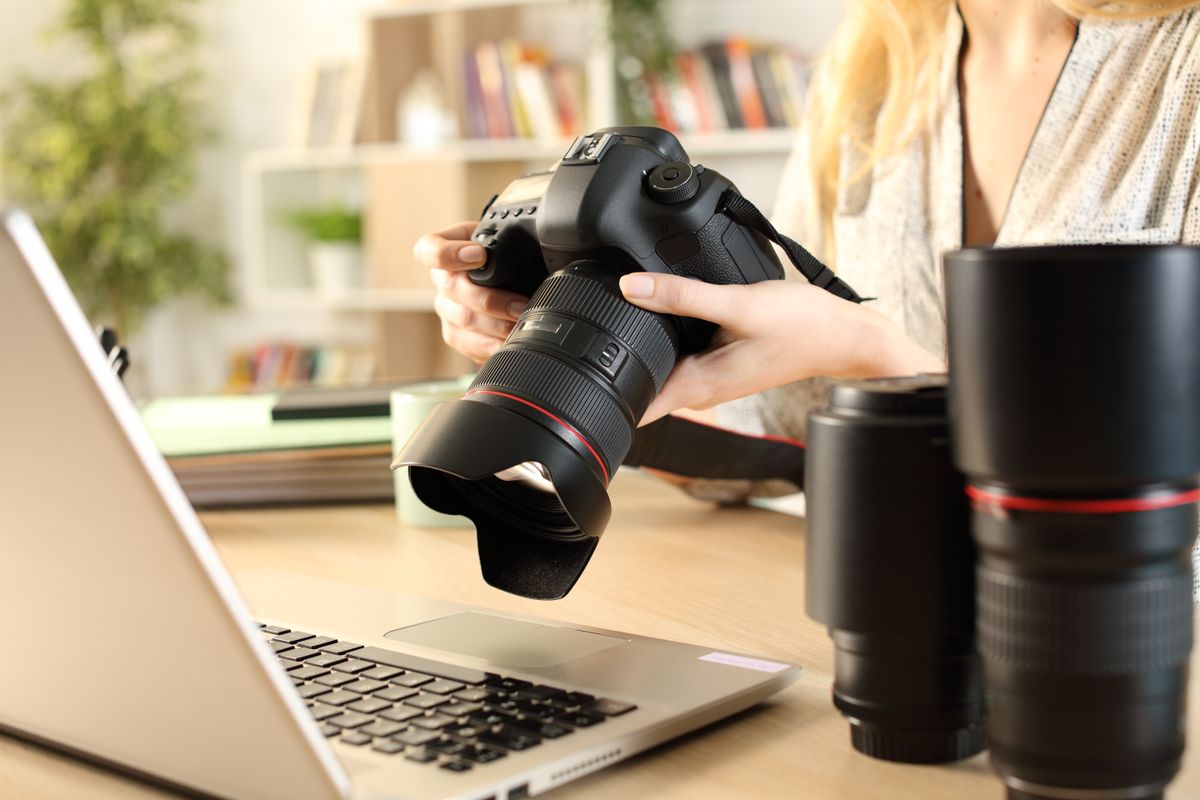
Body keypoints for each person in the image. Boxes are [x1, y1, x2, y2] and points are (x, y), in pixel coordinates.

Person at [414, 1, 1200, 577]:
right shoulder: (870, 75)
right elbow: (786, 429)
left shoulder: (1180, 61)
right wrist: (575, 352)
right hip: (887, 602)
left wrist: (879, 359)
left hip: (1127, 638)